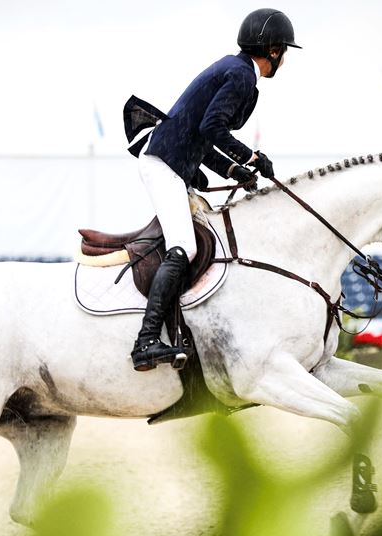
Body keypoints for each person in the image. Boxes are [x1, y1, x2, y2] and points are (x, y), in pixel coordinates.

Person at [126, 8, 300, 371]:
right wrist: (250, 155)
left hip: (174, 163)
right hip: (162, 165)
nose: (283, 61)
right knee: (185, 246)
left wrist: (237, 168)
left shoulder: (235, 70)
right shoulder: (239, 75)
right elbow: (213, 127)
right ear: (272, 50)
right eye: (283, 51)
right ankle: (145, 341)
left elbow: (205, 139)